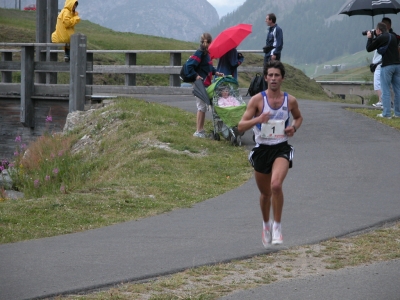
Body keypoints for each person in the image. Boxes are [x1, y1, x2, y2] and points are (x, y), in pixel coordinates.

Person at [238, 60, 303, 247]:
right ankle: (266, 224)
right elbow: (241, 125)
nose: (273, 79)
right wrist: (259, 118)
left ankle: (277, 226)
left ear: (282, 78)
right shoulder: (257, 100)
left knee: (276, 185)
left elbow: (298, 117)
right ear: (266, 77)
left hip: (281, 147)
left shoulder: (290, 100)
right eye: (270, 75)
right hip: (262, 149)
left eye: (277, 75)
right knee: (265, 194)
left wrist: (293, 128)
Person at [185, 33, 224, 138]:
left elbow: (208, 68)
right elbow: (189, 66)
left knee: (203, 107)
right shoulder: (200, 53)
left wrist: (216, 73)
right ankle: (198, 131)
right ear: (210, 42)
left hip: (205, 83)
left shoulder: (206, 54)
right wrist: (195, 76)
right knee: (201, 107)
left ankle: (201, 130)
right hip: (200, 84)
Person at [366, 22, 400, 118]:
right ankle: (398, 113)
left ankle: (386, 114)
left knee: (385, 90)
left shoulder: (381, 38)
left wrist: (369, 38)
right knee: (398, 90)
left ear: (378, 30)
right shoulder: (392, 36)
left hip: (387, 66)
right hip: (397, 65)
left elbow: (369, 48)